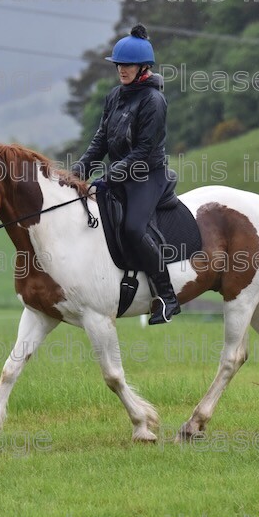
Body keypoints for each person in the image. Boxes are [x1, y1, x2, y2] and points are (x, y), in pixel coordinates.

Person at [71, 24, 181, 325]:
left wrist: (110, 175)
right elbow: (101, 140)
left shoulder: (153, 101)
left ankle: (168, 297)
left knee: (133, 228)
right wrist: (80, 168)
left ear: (143, 67)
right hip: (120, 175)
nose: (121, 69)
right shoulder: (115, 96)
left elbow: (143, 151)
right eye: (118, 64)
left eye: (127, 65)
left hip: (148, 175)